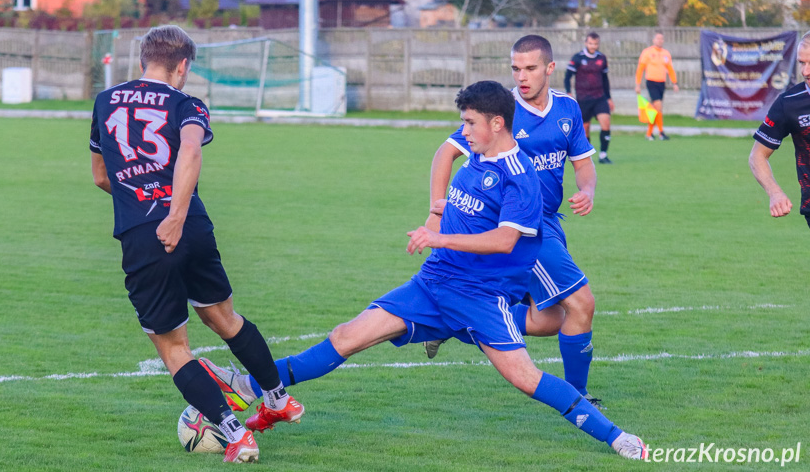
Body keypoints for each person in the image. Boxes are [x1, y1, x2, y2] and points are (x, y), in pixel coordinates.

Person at [201, 81, 646, 459]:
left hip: (480, 299)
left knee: (528, 378)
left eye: (470, 123)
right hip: (432, 285)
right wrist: (439, 214)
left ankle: (618, 438)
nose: (463, 131)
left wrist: (438, 236)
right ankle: (249, 382)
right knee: (345, 336)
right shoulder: (475, 159)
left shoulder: (520, 175)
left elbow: (504, 241)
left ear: (496, 124)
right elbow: (457, 194)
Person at [89, 25, 303, 464]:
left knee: (173, 348)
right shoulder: (187, 103)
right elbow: (190, 150)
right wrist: (179, 213)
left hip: (144, 236)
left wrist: (150, 208)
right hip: (193, 225)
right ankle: (279, 400)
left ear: (143, 59)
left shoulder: (105, 101)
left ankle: (234, 434)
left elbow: (100, 176)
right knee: (224, 318)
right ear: (183, 66)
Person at [425, 35, 602, 408]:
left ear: (550, 68)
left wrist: (587, 191)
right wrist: (436, 210)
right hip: (523, 227)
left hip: (551, 222)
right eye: (516, 68)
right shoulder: (501, 110)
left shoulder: (567, 110)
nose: (522, 76)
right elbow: (445, 153)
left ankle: (454, 321)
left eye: (531, 68)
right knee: (582, 303)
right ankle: (578, 397)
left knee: (550, 319)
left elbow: (584, 164)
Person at [749, 32, 810, 228]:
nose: (806, 71)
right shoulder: (789, 103)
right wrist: (774, 192)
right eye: (802, 63)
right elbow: (757, 155)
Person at [565, 31, 614, 164]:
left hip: (600, 97)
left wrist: (609, 98)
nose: (593, 46)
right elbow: (567, 76)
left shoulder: (602, 58)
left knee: (606, 122)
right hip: (583, 99)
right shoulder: (577, 58)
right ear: (586, 43)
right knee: (585, 129)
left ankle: (603, 155)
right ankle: (587, 155)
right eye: (591, 43)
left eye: (595, 44)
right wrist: (569, 92)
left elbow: (605, 79)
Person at [635, 31, 679, 140]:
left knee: (656, 109)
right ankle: (661, 132)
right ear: (654, 40)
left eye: (661, 39)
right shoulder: (647, 52)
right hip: (651, 82)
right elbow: (640, 69)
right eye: (658, 38)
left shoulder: (666, 53)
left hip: (661, 83)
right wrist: (638, 84)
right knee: (658, 106)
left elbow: (670, 69)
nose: (660, 40)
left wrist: (675, 83)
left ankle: (649, 133)